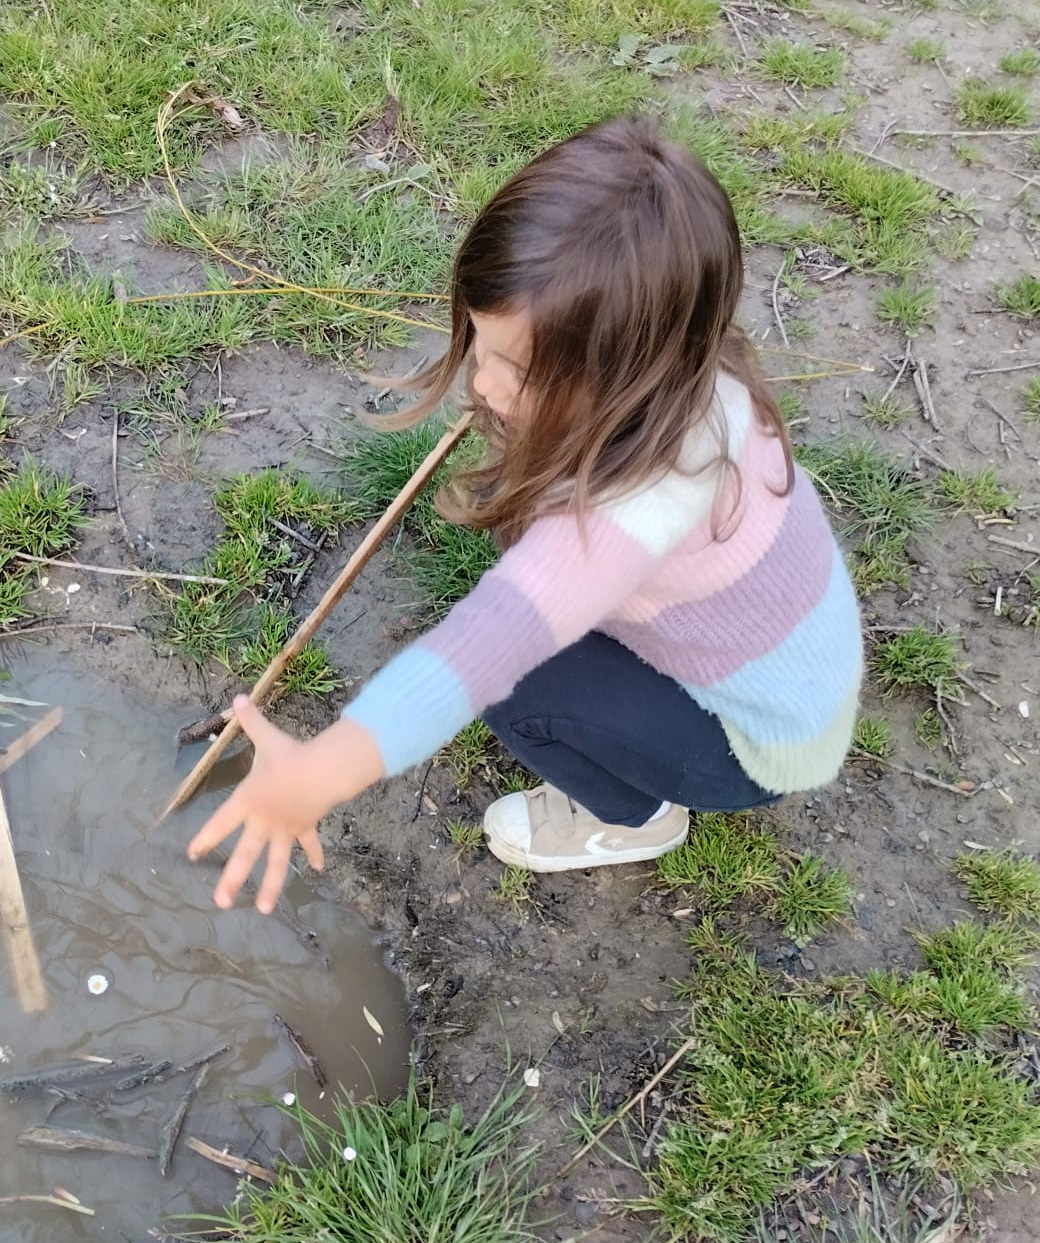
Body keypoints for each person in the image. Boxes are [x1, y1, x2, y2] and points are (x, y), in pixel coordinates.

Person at [189, 116, 864, 913]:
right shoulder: (687, 378)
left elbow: (478, 654)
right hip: (784, 665)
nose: (487, 388)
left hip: (757, 743)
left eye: (523, 372)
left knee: (520, 689)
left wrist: (316, 774)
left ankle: (637, 819)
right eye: (485, 346)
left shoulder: (638, 504)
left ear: (629, 370)